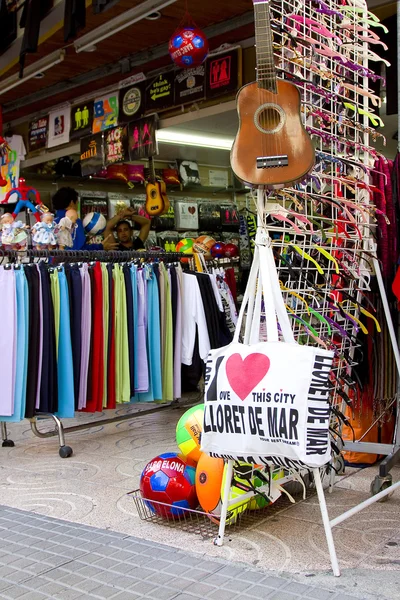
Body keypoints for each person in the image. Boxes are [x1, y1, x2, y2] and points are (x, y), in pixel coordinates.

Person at [52, 187, 118, 251]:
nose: (77, 205)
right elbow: (80, 250)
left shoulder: (50, 221)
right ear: (72, 203)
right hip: (72, 261)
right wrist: (100, 246)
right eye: (77, 203)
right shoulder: (75, 222)